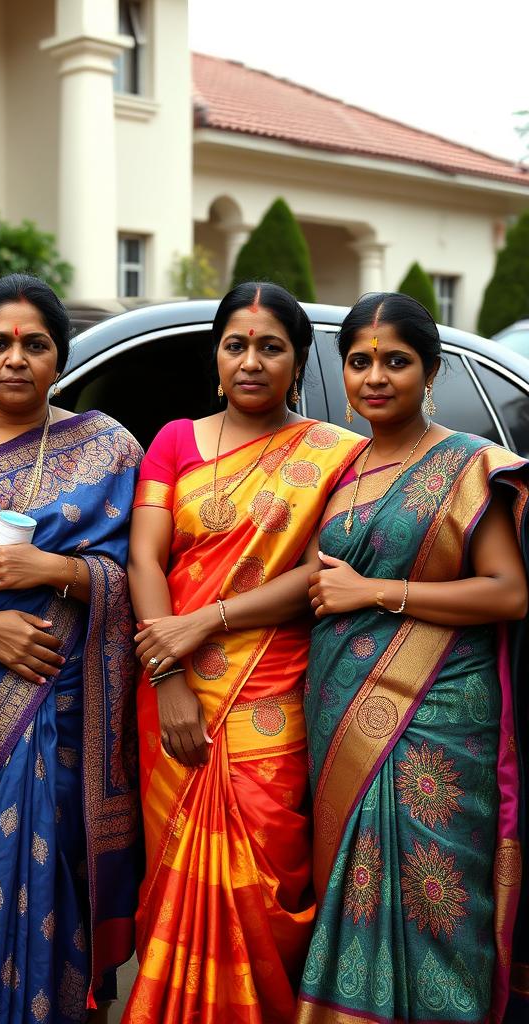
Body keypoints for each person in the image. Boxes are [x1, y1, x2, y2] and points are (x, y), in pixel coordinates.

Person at [123, 282, 366, 1024]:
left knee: (264, 878)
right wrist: (166, 675)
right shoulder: (173, 441)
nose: (251, 361)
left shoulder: (336, 456)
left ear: (297, 363)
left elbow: (320, 570)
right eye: (236, 345)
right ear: (217, 356)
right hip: (169, 687)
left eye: (271, 347)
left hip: (275, 690)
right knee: (173, 878)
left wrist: (208, 622)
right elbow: (144, 560)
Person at [0, 274, 142, 1023]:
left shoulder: (106, 447)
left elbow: (142, 580)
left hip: (65, 708)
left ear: (59, 357)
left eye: (35, 344)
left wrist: (62, 571)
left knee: (54, 882)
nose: (16, 358)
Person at [298, 293, 528, 1023]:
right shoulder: (338, 468)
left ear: (430, 374)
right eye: (360, 361)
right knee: (352, 890)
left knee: (437, 900)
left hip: (437, 717)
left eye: (396, 361)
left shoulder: (466, 466)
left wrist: (379, 591)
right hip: (341, 711)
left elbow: (508, 593)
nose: (375, 377)